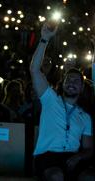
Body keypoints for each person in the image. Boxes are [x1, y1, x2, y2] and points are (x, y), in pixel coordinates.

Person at [30, 23, 93, 181]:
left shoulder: (85, 117)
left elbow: (89, 148)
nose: (72, 82)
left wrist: (79, 157)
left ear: (81, 89)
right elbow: (35, 70)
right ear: (62, 83)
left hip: (73, 157)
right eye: (69, 79)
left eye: (76, 81)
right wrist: (44, 39)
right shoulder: (50, 98)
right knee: (56, 176)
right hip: (47, 157)